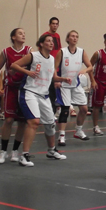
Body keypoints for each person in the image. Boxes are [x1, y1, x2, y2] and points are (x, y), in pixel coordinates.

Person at [12, 35, 71, 167]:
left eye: (52, 41)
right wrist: (27, 73)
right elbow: (14, 65)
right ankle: (24, 155)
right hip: (29, 92)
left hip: (43, 95)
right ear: (42, 44)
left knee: (50, 124)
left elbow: (52, 77)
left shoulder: (51, 59)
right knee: (34, 122)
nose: (51, 43)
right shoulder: (33, 56)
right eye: (48, 41)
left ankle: (51, 150)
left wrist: (63, 79)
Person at [0, 28, 31, 164]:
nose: (23, 35)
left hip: (25, 88)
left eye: (24, 33)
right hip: (11, 88)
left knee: (22, 122)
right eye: (20, 33)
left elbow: (33, 67)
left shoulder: (28, 51)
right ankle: (3, 151)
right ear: (13, 37)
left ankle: (15, 150)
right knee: (8, 120)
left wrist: (21, 70)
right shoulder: (6, 51)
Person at [54, 30, 93, 145]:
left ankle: (78, 131)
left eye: (76, 36)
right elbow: (54, 68)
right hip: (64, 85)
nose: (75, 38)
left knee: (84, 109)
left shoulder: (81, 52)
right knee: (65, 110)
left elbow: (90, 66)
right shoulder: (62, 52)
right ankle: (61, 136)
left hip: (76, 84)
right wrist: (56, 79)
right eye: (72, 36)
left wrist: (84, 70)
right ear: (67, 39)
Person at [42, 17, 62, 114]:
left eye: (56, 24)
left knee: (55, 91)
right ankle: (47, 112)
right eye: (53, 23)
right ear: (49, 24)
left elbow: (59, 51)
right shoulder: (45, 35)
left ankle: (53, 112)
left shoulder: (57, 36)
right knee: (48, 90)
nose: (55, 25)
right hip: (48, 66)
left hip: (56, 66)